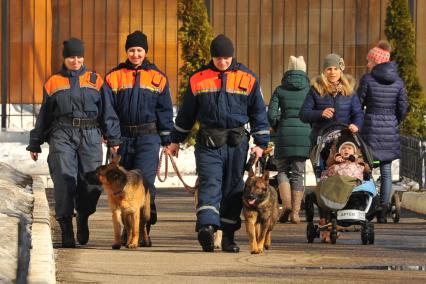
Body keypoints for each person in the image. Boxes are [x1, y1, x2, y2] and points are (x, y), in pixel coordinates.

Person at [166, 34, 270, 253]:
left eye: (226, 58)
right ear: (211, 57)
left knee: (233, 188)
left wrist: (261, 142)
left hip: (236, 142)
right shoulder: (198, 78)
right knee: (210, 182)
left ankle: (228, 237)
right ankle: (207, 227)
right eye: (218, 58)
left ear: (232, 56)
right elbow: (186, 114)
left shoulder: (248, 78)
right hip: (208, 142)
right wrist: (175, 140)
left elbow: (258, 112)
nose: (222, 62)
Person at [26, 38, 121, 248]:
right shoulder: (53, 82)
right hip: (62, 134)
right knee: (64, 179)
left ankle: (84, 216)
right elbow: (44, 116)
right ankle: (66, 227)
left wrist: (113, 138)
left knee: (92, 182)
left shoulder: (96, 80)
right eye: (71, 57)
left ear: (83, 57)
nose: (75, 60)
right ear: (65, 58)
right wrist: (35, 142)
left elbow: (107, 112)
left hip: (90, 134)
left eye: (78, 56)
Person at [104, 31, 174, 241]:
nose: (136, 54)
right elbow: (108, 111)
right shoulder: (113, 76)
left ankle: (144, 228)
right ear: (127, 51)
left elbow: (164, 110)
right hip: (123, 138)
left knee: (146, 186)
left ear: (146, 52)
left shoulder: (158, 78)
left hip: (148, 137)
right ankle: (129, 230)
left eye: (139, 50)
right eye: (132, 50)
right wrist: (113, 138)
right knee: (122, 187)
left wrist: (167, 139)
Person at [356, 40, 408, 223]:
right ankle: (384, 208)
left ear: (376, 62)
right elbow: (403, 108)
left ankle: (369, 204)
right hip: (389, 128)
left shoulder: (367, 79)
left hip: (370, 127)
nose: (367, 64)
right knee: (386, 171)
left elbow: (358, 103)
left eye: (369, 61)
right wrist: (394, 121)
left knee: (367, 168)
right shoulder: (399, 82)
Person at [267, 55, 311, 224]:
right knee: (298, 173)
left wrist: (279, 125)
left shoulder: (280, 89)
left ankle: (285, 205)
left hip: (284, 134)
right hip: (304, 136)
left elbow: (271, 115)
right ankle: (295, 213)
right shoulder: (310, 90)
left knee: (283, 170)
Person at [299, 53, 364, 145]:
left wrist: (356, 125)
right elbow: (303, 114)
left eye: (336, 69)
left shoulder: (349, 91)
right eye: (329, 69)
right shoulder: (315, 90)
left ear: (340, 71)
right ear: (324, 71)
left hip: (344, 141)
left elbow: (358, 114)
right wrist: (320, 113)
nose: (332, 72)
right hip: (321, 141)